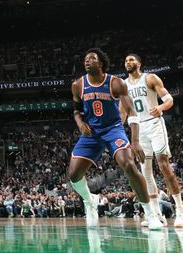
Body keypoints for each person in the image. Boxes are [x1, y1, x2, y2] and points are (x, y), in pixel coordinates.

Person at [68, 48, 162, 230]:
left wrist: (135, 141)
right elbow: (76, 110)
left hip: (113, 129)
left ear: (101, 63)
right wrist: (79, 122)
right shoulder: (78, 85)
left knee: (128, 165)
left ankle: (150, 214)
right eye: (86, 59)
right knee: (73, 175)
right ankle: (90, 201)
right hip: (92, 132)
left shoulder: (116, 83)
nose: (87, 61)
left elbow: (132, 112)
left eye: (92, 59)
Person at [123, 54, 183, 226]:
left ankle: (181, 210)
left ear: (139, 62)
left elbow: (169, 99)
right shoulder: (123, 85)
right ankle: (156, 214)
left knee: (164, 165)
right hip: (138, 128)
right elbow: (123, 112)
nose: (128, 62)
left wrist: (160, 107)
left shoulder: (150, 78)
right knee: (146, 172)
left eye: (131, 60)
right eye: (126, 61)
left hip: (154, 124)